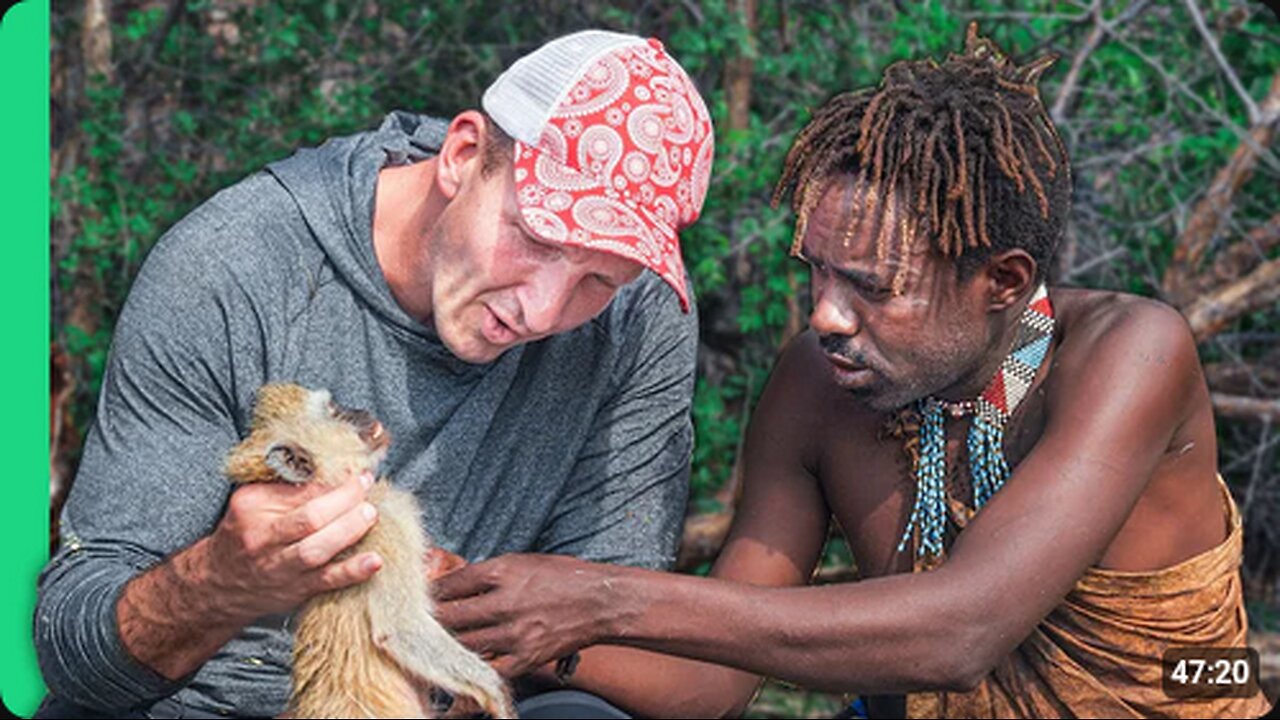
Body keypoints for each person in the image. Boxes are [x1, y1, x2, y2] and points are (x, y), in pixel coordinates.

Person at [432, 24, 1272, 719]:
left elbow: (960, 634)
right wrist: (513, 620)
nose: (824, 316)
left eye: (872, 287)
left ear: (1004, 283)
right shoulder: (817, 385)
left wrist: (600, 599)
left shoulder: (1128, 353)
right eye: (817, 272)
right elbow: (711, 681)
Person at [35, 29, 714, 719]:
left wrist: (487, 619)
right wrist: (220, 583)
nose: (542, 309)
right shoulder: (230, 269)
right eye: (535, 238)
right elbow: (74, 653)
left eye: (597, 277)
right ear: (463, 154)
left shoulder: (639, 314)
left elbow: (615, 632)